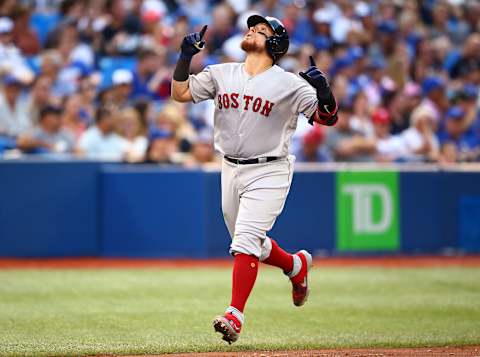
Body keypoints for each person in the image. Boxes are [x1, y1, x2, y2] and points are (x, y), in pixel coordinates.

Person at [171, 15, 338, 344]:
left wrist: (325, 92)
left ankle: (235, 314)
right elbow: (180, 93)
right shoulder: (223, 72)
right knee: (251, 244)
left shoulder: (289, 84)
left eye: (261, 30)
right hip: (230, 168)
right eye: (251, 27)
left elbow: (327, 118)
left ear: (275, 44)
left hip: (269, 169)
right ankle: (295, 265)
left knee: (245, 241)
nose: (251, 31)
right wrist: (185, 56)